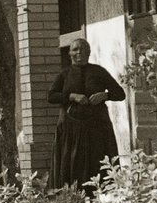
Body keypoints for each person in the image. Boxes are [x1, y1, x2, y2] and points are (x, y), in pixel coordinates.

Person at [48, 37, 126, 191]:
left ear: (89, 52)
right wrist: (72, 96)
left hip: (96, 129)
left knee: (96, 165)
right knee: (71, 167)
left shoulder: (99, 72)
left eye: (83, 49)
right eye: (75, 49)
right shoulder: (64, 74)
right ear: (70, 53)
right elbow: (51, 96)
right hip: (71, 130)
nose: (79, 52)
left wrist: (104, 95)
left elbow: (120, 93)